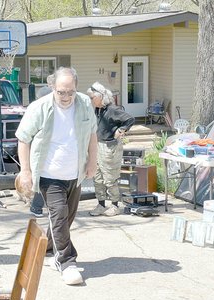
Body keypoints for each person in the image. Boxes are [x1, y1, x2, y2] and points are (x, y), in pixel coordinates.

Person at [16, 67, 98, 285]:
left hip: (75, 173)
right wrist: (25, 171)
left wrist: (92, 161)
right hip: (49, 174)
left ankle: (51, 250)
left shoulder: (84, 104)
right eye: (61, 92)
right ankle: (67, 261)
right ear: (52, 86)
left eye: (70, 91)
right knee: (59, 214)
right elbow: (23, 139)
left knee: (66, 217)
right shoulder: (39, 107)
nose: (66, 97)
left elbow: (92, 134)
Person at [87, 82, 134, 217]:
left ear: (100, 96)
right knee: (97, 177)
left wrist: (121, 129)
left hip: (110, 146)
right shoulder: (97, 109)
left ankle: (114, 205)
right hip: (97, 145)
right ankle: (101, 204)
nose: (90, 100)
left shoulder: (113, 109)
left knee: (110, 177)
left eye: (92, 97)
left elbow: (130, 119)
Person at [29, 75, 56, 218]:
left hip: (49, 144)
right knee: (43, 177)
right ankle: (36, 206)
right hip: (43, 144)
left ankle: (38, 205)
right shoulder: (46, 94)